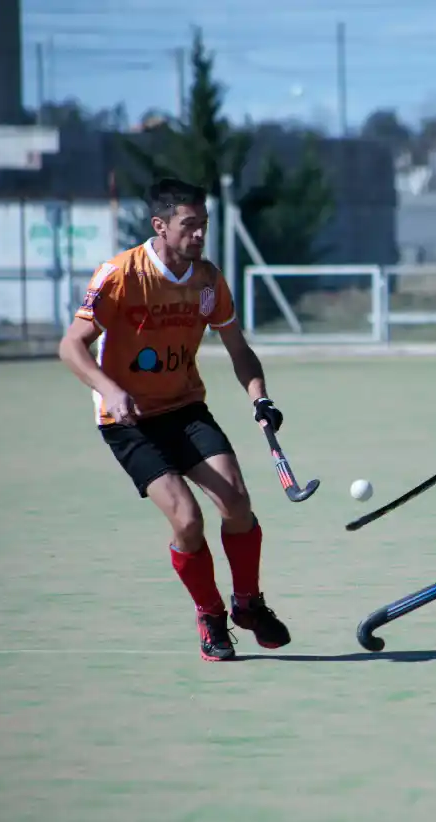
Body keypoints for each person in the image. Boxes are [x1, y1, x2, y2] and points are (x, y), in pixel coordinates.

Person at [59, 177, 291, 662]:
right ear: (160, 226)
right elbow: (70, 346)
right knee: (188, 519)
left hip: (184, 407)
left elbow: (238, 349)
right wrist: (111, 388)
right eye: (190, 226)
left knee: (237, 502)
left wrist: (260, 397)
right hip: (129, 421)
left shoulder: (208, 280)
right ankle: (210, 615)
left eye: (203, 225)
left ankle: (248, 604)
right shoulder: (121, 275)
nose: (200, 235)